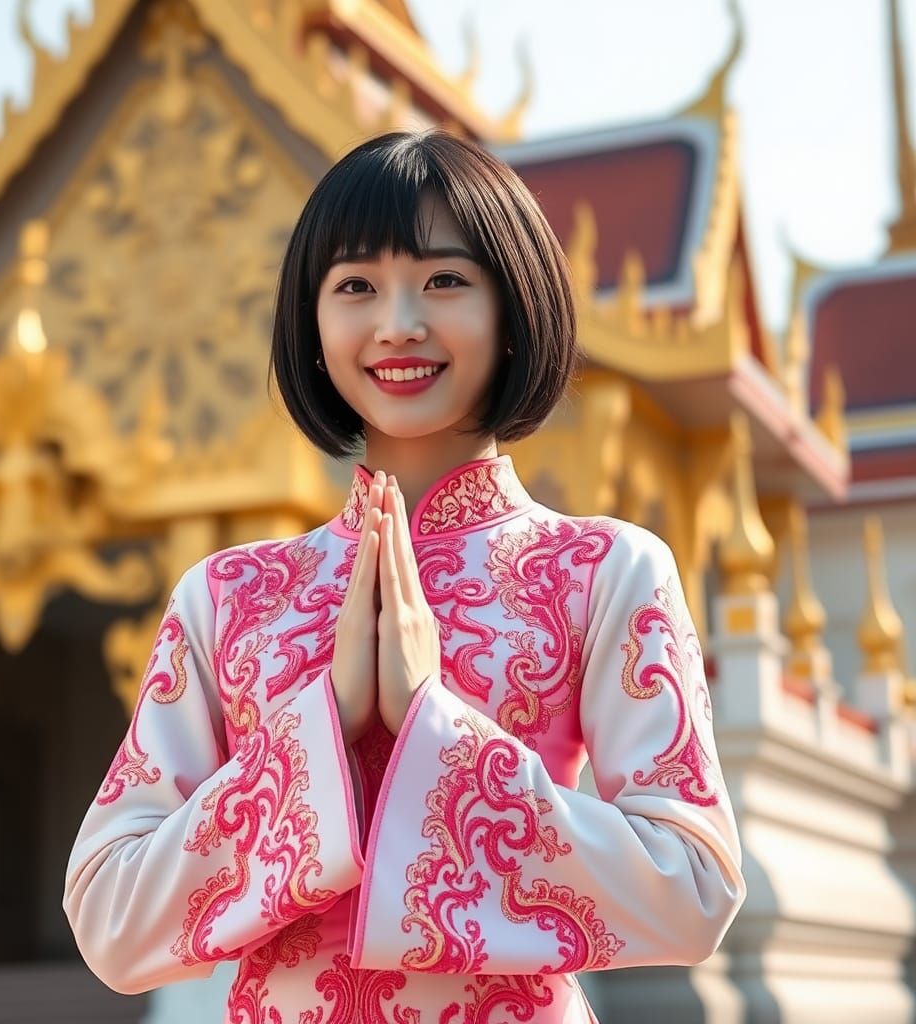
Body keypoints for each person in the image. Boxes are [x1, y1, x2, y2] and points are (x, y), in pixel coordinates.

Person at [63, 129, 746, 1023]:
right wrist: (320, 728)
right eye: (355, 287)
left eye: (444, 281)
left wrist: (438, 723)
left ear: (513, 309)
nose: (398, 323)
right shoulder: (226, 597)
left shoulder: (604, 572)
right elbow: (109, 914)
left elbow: (693, 884)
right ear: (311, 322)